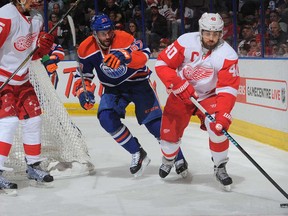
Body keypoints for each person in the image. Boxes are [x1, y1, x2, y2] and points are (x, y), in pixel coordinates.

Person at [73, 14, 188, 178]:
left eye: (109, 32)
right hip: (113, 90)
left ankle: (179, 157)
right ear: (94, 33)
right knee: (106, 118)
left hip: (138, 83)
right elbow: (83, 77)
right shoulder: (86, 49)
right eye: (102, 34)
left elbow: (145, 54)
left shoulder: (124, 38)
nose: (107, 37)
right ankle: (137, 152)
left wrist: (126, 57)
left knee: (155, 124)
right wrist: (83, 93)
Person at [155, 12, 240, 190]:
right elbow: (162, 64)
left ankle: (220, 166)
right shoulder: (186, 41)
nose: (211, 38)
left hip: (209, 96)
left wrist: (223, 116)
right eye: (208, 33)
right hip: (180, 95)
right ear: (201, 31)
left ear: (221, 33)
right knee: (168, 140)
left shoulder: (227, 54)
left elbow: (227, 89)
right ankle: (168, 158)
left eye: (215, 34)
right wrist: (178, 84)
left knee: (218, 129)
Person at [0, 0, 56, 193]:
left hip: (22, 80)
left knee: (34, 119)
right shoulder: (5, 15)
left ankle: (33, 166)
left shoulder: (37, 18)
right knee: (9, 122)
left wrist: (42, 49)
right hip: (2, 80)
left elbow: (30, 55)